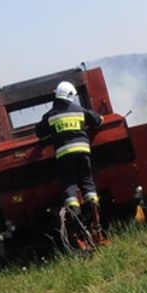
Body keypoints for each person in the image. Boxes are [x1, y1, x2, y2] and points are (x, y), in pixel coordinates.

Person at [35, 80, 104, 231]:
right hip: (83, 151)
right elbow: (97, 120)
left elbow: (39, 132)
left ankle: (76, 212)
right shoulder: (79, 110)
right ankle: (93, 203)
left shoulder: (51, 115)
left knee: (69, 183)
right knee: (86, 179)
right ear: (71, 95)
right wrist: (101, 119)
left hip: (64, 154)